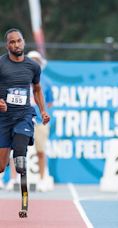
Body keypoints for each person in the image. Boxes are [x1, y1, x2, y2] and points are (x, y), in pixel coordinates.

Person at [0, 28, 50, 217]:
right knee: (1, 165)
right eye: (12, 42)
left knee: (20, 156)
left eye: (19, 41)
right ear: (8, 45)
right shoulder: (1, 64)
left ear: (23, 41)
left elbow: (37, 89)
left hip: (24, 116)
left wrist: (43, 111)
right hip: (3, 119)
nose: (16, 45)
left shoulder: (33, 67)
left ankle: (24, 202)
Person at [5, 50, 54, 192]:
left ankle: (42, 179)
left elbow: (49, 102)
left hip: (38, 120)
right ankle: (13, 179)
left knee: (40, 150)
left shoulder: (46, 82)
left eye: (37, 61)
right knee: (16, 149)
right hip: (19, 119)